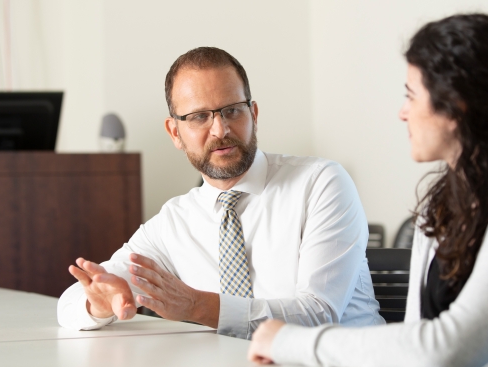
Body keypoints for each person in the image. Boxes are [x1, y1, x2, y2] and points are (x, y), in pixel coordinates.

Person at [248, 14, 488, 367]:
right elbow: (419, 334)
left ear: (456, 107)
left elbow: (443, 349)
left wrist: (290, 342)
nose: (403, 112)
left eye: (411, 95)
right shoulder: (446, 202)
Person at [57, 47, 384, 339]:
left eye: (232, 111)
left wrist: (197, 306)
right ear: (175, 132)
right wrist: (99, 304)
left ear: (253, 115)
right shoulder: (175, 221)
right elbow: (72, 303)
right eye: (199, 117)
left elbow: (319, 315)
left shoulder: (320, 183)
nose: (221, 130)